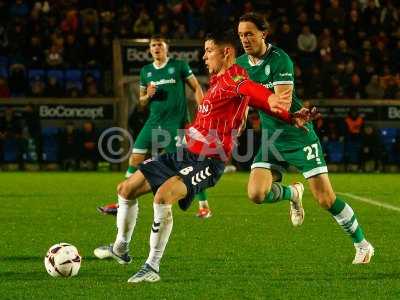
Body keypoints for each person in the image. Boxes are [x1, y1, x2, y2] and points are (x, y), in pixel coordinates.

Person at [94, 30, 313, 283]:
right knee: (125, 188)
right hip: (185, 152)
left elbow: (257, 93)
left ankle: (152, 266)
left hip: (209, 160)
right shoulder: (217, 81)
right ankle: (121, 248)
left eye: (209, 51)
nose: (204, 56)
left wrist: (284, 110)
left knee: (163, 195)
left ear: (226, 52)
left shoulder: (234, 78)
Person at [237, 12, 373, 264]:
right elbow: (242, 97)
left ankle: (363, 244)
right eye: (241, 35)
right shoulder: (240, 65)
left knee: (325, 199)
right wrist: (241, 116)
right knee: (256, 193)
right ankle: (293, 194)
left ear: (263, 34)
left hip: (297, 135)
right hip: (271, 137)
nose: (244, 39)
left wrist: (250, 99)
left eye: (249, 34)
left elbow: (283, 104)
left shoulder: (280, 60)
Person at [97, 36, 211, 217]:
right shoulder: (146, 71)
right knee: (135, 158)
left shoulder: (179, 65)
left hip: (176, 123)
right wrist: (148, 95)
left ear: (167, 48)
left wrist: (203, 110)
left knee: (185, 165)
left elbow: (196, 87)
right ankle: (123, 201)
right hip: (153, 122)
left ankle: (204, 206)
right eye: (153, 45)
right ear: (149, 49)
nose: (156, 48)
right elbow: (142, 101)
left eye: (159, 45)